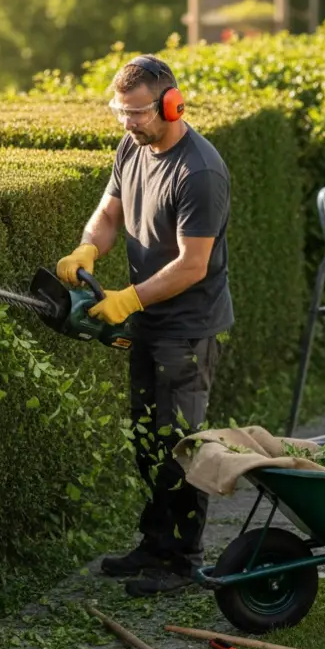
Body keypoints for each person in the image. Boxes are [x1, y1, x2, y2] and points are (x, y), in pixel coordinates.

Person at [54, 54, 233, 597]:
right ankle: (156, 543)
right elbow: (109, 213)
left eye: (136, 113)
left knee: (179, 442)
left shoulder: (199, 172)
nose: (126, 123)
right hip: (148, 318)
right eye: (119, 112)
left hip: (187, 327)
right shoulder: (131, 146)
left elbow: (192, 264)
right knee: (147, 439)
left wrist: (127, 298)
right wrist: (89, 246)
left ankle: (183, 560)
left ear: (171, 104)